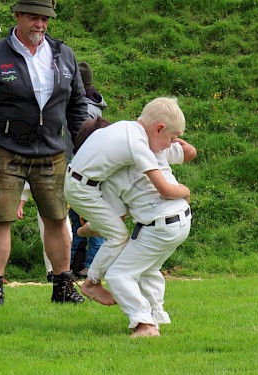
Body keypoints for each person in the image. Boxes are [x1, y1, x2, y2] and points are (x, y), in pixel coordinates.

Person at [0, 0, 89, 308]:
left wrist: (88, 150)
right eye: (33, 17)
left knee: (58, 218)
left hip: (52, 150)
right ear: (17, 15)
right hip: (6, 150)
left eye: (45, 19)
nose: (40, 24)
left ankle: (63, 286)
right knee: (0, 219)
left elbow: (77, 106)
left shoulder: (64, 54)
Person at [64, 97, 190, 305]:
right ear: (159, 128)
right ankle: (91, 283)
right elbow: (165, 189)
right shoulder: (138, 144)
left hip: (80, 182)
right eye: (171, 138)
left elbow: (185, 152)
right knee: (119, 235)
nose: (169, 145)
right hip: (83, 190)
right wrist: (185, 190)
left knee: (116, 222)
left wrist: (180, 145)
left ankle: (90, 228)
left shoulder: (124, 127)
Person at [102, 137, 196, 337]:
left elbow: (117, 219)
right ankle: (158, 313)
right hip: (182, 219)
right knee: (149, 267)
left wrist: (87, 228)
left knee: (117, 275)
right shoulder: (151, 149)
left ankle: (145, 323)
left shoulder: (110, 176)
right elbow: (190, 151)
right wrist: (171, 137)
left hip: (158, 227)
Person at [64, 61, 107, 278]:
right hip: (81, 170)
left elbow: (84, 144)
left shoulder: (85, 109)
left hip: (85, 172)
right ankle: (75, 264)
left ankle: (90, 267)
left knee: (92, 221)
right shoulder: (92, 105)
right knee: (78, 220)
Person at [18, 181, 72, 281]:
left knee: (68, 236)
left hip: (61, 205)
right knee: (47, 237)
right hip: (44, 204)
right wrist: (21, 205)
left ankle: (65, 271)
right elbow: (28, 187)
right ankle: (51, 271)